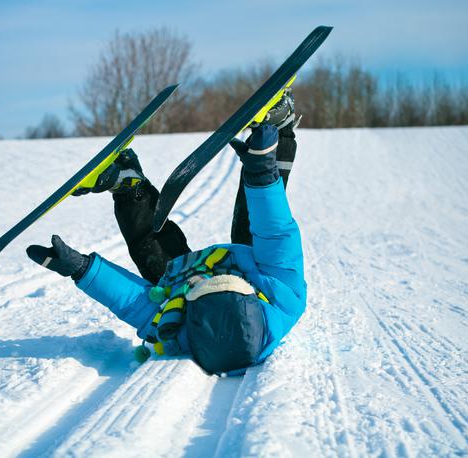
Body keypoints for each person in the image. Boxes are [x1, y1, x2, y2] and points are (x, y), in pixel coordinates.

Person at [26, 92, 306, 375]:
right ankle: (278, 128)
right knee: (254, 220)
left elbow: (135, 304)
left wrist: (82, 270)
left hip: (186, 278)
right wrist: (260, 171)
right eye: (223, 283)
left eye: (206, 288)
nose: (213, 280)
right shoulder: (283, 298)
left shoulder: (179, 331)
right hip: (251, 264)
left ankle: (128, 183)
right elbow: (276, 232)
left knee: (152, 256)